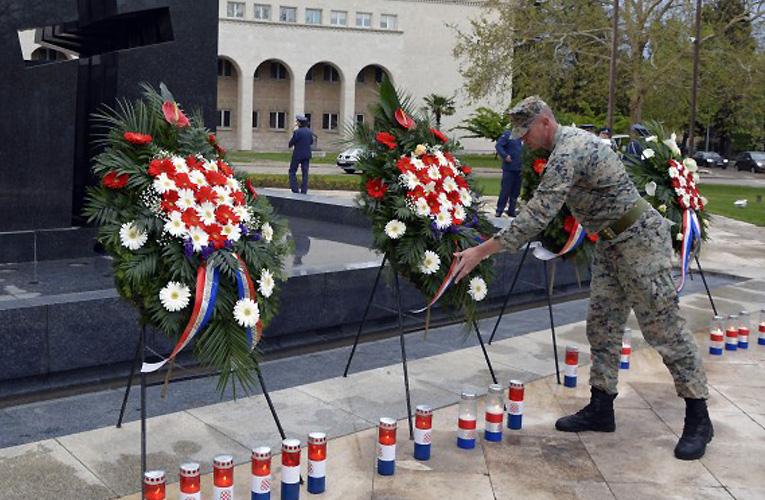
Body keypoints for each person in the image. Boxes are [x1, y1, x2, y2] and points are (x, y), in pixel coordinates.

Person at [452, 96, 713, 461]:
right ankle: (601, 408)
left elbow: (540, 212)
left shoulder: (570, 150)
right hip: (610, 243)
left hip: (639, 241)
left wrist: (482, 249)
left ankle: (699, 417)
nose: (522, 140)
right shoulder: (563, 145)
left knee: (663, 329)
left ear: (545, 122)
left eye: (526, 132)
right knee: (603, 325)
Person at [494, 130, 524, 217]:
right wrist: (505, 156)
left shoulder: (525, 135)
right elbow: (499, 146)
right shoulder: (508, 134)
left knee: (516, 191)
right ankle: (499, 210)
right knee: (505, 190)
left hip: (520, 167)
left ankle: (512, 210)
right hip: (509, 167)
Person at [288, 115, 313, 194]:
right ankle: (304, 190)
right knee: (305, 172)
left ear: (299, 123)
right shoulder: (309, 132)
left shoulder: (297, 132)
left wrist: (290, 144)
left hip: (297, 155)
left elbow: (292, 142)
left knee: (292, 171)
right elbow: (311, 142)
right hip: (307, 155)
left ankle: (295, 189)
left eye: (297, 122)